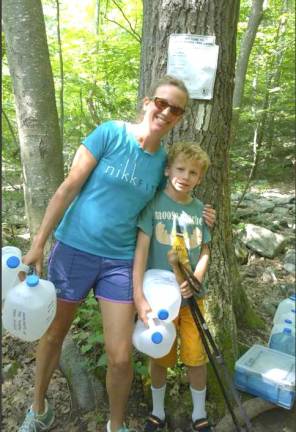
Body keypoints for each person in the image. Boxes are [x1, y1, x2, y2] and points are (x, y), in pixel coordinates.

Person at [19, 75, 215, 432]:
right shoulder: (110, 133)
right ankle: (38, 410)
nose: (166, 112)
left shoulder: (162, 165)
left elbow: (173, 199)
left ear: (179, 117)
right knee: (53, 334)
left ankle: (116, 424)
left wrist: (200, 211)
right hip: (74, 250)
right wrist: (37, 244)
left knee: (121, 356)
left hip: (120, 262)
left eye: (175, 109)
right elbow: (68, 188)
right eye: (161, 103)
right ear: (147, 102)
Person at [133, 141, 212, 432]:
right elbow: (141, 249)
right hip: (158, 297)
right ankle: (157, 412)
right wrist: (138, 293)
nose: (186, 176)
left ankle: (199, 414)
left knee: (195, 356)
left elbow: (205, 250)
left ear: (200, 178)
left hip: (192, 299)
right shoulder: (154, 203)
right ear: (167, 170)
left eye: (193, 172)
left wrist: (197, 279)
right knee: (159, 355)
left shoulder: (201, 210)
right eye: (180, 168)